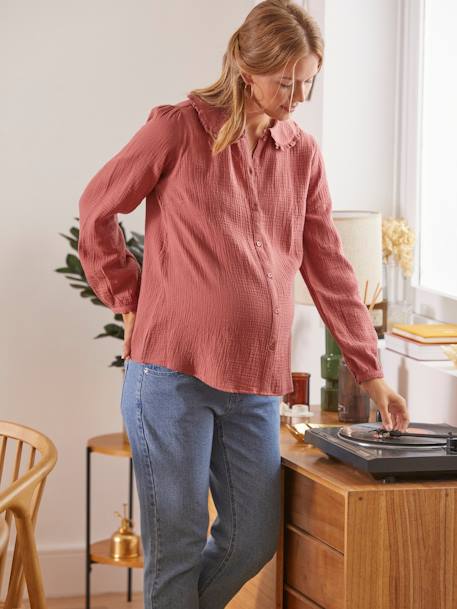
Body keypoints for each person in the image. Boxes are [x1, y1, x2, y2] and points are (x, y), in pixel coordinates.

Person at [78, 1, 410, 607]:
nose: (299, 95)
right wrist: (129, 297)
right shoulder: (177, 129)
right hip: (170, 375)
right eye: (286, 81)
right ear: (244, 66)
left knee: (252, 539)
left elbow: (329, 265)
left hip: (255, 384)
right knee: (176, 550)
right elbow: (97, 208)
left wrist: (371, 370)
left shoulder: (301, 153)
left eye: (308, 80)